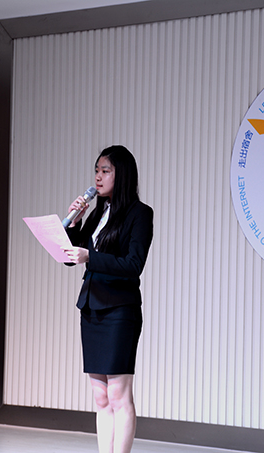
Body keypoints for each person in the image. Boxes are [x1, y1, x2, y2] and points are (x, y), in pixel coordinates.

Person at [62, 145, 153, 453]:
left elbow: (133, 264)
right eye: (96, 171)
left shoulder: (140, 214)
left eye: (105, 171)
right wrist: (75, 223)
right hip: (91, 308)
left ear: (121, 174)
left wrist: (90, 256)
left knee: (118, 395)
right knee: (100, 398)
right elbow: (71, 258)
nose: (98, 178)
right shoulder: (98, 212)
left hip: (119, 311)